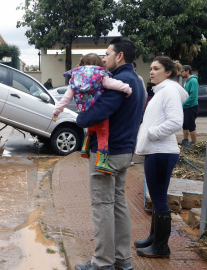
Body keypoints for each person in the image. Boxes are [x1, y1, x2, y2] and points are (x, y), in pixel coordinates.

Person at [75, 37, 144, 270]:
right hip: (125, 152)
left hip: (107, 155)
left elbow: (100, 112)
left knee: (102, 206)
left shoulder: (119, 80)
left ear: (120, 56)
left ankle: (102, 263)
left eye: (107, 54)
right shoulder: (136, 79)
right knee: (118, 204)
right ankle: (122, 259)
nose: (104, 59)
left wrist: (80, 118)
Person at [134, 56, 188, 258]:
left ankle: (161, 247)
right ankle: (153, 239)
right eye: (151, 68)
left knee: (158, 200)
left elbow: (176, 121)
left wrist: (152, 134)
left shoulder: (170, 91)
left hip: (161, 152)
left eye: (156, 68)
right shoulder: (161, 91)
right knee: (158, 199)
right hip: (156, 152)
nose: (151, 71)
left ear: (168, 72)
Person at [53, 53, 132, 174]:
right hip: (98, 114)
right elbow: (113, 84)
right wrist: (127, 89)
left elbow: (66, 98)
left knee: (90, 129)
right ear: (98, 63)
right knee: (103, 135)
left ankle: (85, 148)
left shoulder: (74, 76)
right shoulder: (100, 74)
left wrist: (57, 111)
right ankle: (102, 162)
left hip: (85, 113)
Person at [180, 65, 199, 146]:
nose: (181, 73)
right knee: (185, 124)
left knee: (191, 125)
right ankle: (185, 140)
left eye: (182, 71)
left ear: (187, 71)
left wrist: (183, 104)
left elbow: (193, 96)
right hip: (185, 107)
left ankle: (194, 143)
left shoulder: (193, 81)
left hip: (191, 107)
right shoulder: (187, 81)